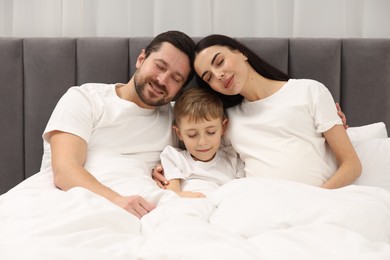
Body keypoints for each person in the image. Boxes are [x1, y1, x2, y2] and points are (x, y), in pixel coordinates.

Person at [153, 34, 361, 190]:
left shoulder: (308, 91)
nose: (219, 74)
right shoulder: (227, 120)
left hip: (317, 200)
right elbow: (190, 129)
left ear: (240, 52)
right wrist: (162, 170)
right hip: (260, 205)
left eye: (220, 62)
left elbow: (351, 165)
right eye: (209, 77)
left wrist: (315, 199)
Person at [44, 31, 195, 218]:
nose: (162, 80)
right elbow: (65, 170)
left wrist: (171, 171)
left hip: (144, 211)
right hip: (74, 203)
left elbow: (215, 151)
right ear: (141, 59)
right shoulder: (86, 99)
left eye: (176, 78)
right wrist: (117, 201)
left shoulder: (179, 123)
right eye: (159, 66)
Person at [160, 87, 245, 198]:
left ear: (223, 127)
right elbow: (171, 195)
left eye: (211, 132)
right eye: (192, 135)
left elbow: (241, 195)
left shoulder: (233, 159)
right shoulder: (174, 158)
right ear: (179, 133)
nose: (202, 142)